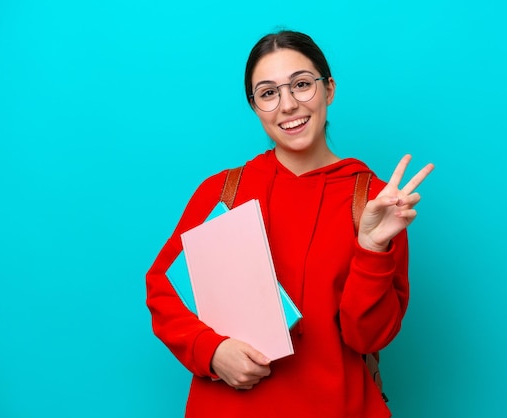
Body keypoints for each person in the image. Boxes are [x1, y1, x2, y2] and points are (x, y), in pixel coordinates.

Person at [146, 30, 434, 418]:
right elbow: (164, 290)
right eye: (268, 93)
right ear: (254, 106)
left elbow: (369, 336)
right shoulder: (222, 192)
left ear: (329, 89)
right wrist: (211, 351)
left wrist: (372, 248)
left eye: (301, 85)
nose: (288, 105)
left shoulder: (375, 202)